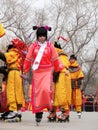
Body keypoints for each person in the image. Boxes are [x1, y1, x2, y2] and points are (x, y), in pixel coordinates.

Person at [23, 26, 66, 125]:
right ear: (37, 36)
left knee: (46, 89)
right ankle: (38, 112)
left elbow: (55, 59)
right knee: (37, 92)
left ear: (46, 36)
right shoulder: (33, 46)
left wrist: (62, 68)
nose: (42, 38)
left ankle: (45, 106)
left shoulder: (50, 46)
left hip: (47, 71)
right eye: (40, 36)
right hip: (37, 71)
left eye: (43, 36)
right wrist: (25, 69)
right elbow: (28, 59)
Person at [0, 38, 27, 122]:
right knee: (18, 92)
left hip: (13, 74)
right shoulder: (19, 54)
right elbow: (8, 65)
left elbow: (4, 57)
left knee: (11, 91)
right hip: (18, 73)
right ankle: (18, 111)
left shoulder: (14, 52)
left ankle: (13, 110)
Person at [47, 41, 72, 122]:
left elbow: (63, 66)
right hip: (55, 76)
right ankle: (53, 112)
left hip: (62, 75)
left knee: (61, 94)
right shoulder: (53, 55)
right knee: (53, 94)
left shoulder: (62, 55)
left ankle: (65, 112)